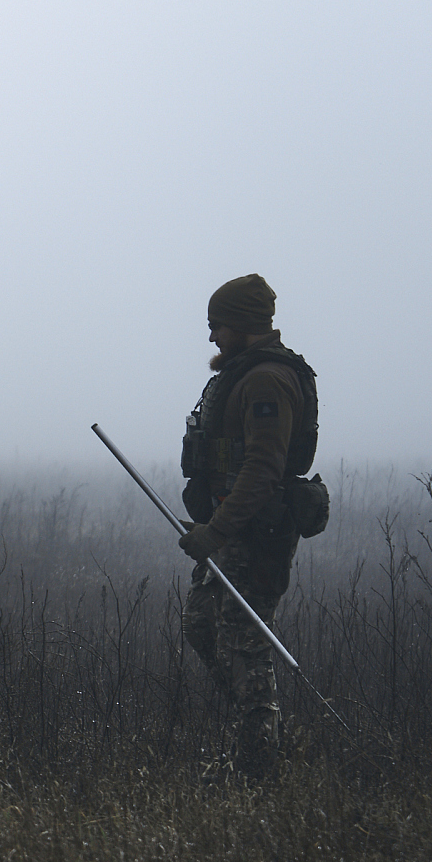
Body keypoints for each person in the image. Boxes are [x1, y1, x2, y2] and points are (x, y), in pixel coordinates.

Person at [177, 272, 322, 781]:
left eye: (217, 324)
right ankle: (254, 733)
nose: (212, 335)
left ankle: (258, 775)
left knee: (245, 645)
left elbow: (262, 469)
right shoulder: (242, 373)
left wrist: (216, 532)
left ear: (240, 324)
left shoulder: (266, 380)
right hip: (231, 528)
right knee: (201, 626)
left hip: (256, 534)